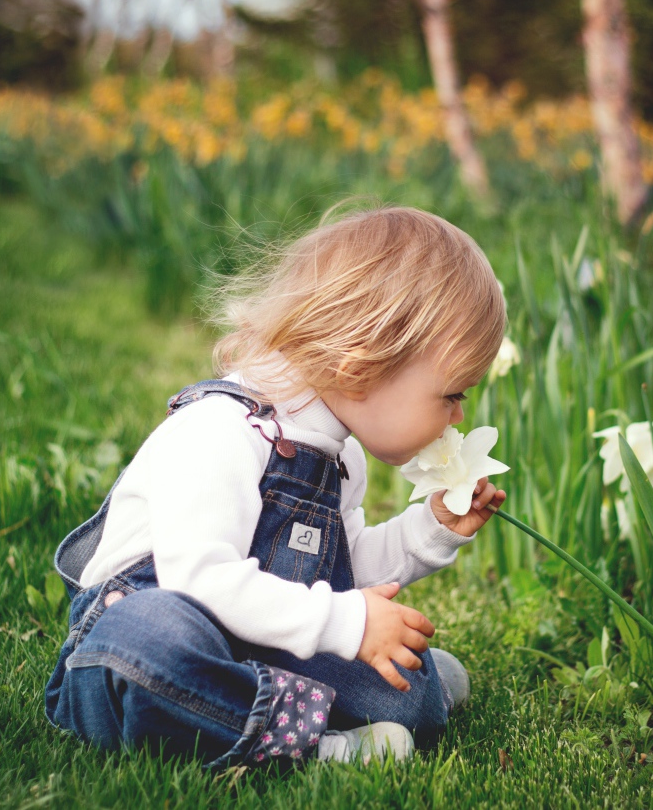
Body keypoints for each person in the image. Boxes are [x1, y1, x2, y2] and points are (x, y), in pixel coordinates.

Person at [44, 205, 508, 768]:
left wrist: (431, 530)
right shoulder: (221, 431)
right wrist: (347, 623)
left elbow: (340, 571)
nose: (458, 416)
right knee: (150, 641)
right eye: (452, 395)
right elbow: (199, 582)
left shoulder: (339, 456)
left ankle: (388, 697)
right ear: (360, 367)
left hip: (255, 637)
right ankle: (317, 746)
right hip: (148, 642)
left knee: (406, 685)